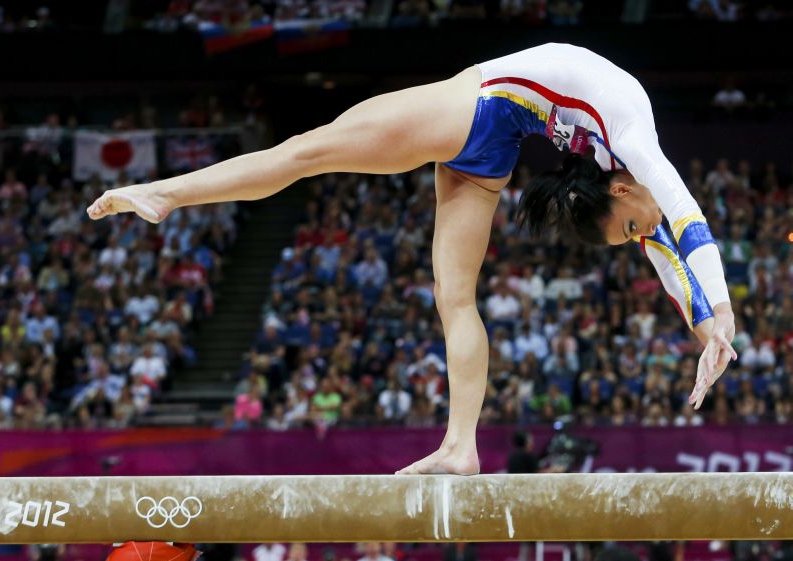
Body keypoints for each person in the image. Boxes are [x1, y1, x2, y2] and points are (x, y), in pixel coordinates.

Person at [87, 43, 737, 475]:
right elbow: (686, 223)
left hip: (489, 130)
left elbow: (662, 248)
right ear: (622, 192)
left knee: (453, 294)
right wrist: (725, 315)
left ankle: (460, 445)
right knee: (307, 150)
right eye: (628, 229)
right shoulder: (634, 138)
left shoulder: (615, 173)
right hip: (479, 108)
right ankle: (166, 193)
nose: (640, 236)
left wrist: (706, 332)